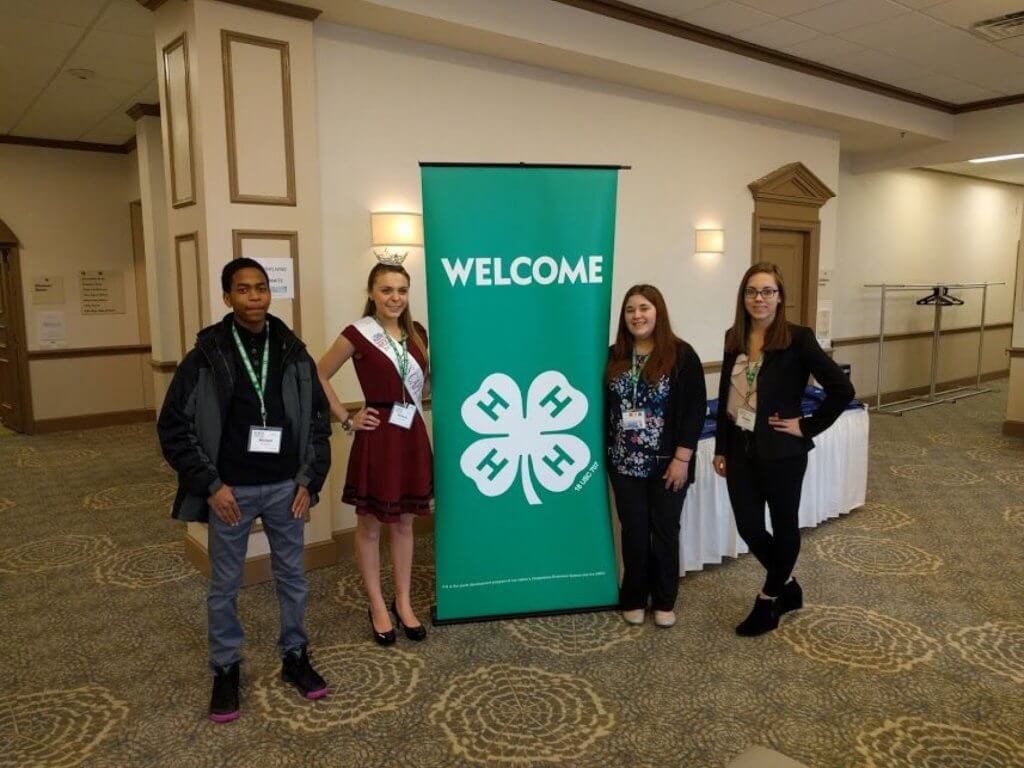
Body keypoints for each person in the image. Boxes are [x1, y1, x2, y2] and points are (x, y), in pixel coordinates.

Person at [157, 257, 332, 723]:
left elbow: (317, 421)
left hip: (284, 488)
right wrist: (211, 486)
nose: (254, 297)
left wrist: (308, 481)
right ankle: (226, 668)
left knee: (293, 577)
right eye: (243, 289)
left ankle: (295, 656)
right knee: (225, 584)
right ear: (227, 297)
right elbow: (173, 427)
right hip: (229, 492)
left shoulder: (293, 351)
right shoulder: (206, 355)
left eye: (260, 288)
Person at [713, 262, 854, 637]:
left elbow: (842, 390)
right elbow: (729, 398)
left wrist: (805, 425)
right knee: (748, 526)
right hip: (740, 449)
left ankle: (768, 598)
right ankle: (788, 585)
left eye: (767, 291)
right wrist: (721, 449)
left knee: (784, 524)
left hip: (782, 453)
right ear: (743, 297)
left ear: (780, 297)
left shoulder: (798, 338)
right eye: (752, 292)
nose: (759, 299)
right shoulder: (734, 337)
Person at [317, 263, 432, 645]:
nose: (395, 297)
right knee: (369, 525)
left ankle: (402, 601)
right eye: (386, 290)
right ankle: (377, 604)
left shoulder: (418, 335)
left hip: (411, 431)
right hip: (378, 433)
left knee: (403, 523)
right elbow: (318, 373)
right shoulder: (358, 334)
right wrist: (347, 418)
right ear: (371, 293)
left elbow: (424, 387)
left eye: (401, 290)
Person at [605, 285, 707, 628]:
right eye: (630, 310)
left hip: (668, 464)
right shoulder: (615, 355)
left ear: (657, 312)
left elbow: (694, 411)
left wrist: (682, 459)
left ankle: (664, 600)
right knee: (633, 531)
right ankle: (634, 596)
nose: (637, 315)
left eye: (644, 308)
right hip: (624, 464)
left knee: (664, 531)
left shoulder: (681, 354)